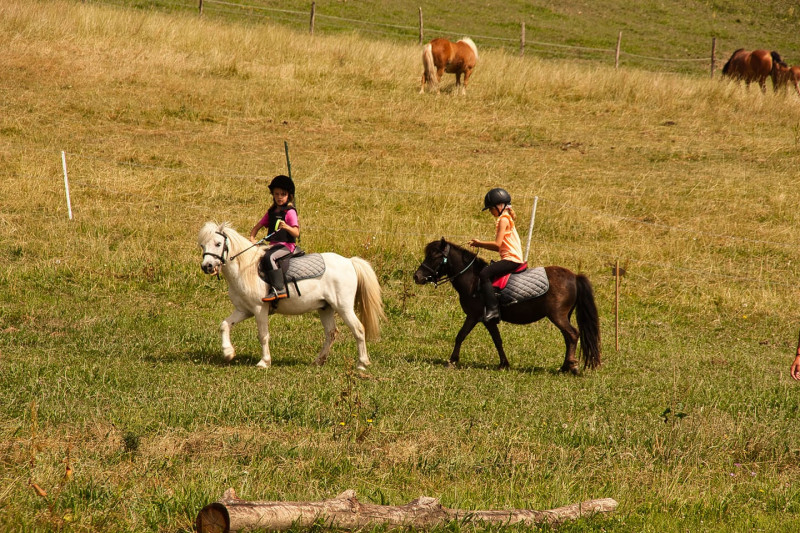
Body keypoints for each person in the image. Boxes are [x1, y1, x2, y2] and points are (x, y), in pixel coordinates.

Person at [468, 188, 525, 323]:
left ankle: (493, 311)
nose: (490, 211)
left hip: (512, 259)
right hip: (512, 257)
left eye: (491, 208)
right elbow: (501, 248)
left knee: (484, 273)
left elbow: (497, 245)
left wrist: (479, 243)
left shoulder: (503, 220)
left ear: (500, 206)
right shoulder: (507, 218)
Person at [249, 174, 300, 302]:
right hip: (272, 245)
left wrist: (287, 227)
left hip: (286, 246)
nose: (279, 197)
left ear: (288, 195)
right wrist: (252, 238)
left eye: (282, 194)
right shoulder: (271, 212)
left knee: (269, 257)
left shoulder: (290, 212)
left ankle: (279, 288)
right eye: (276, 194)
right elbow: (257, 227)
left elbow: (296, 233)